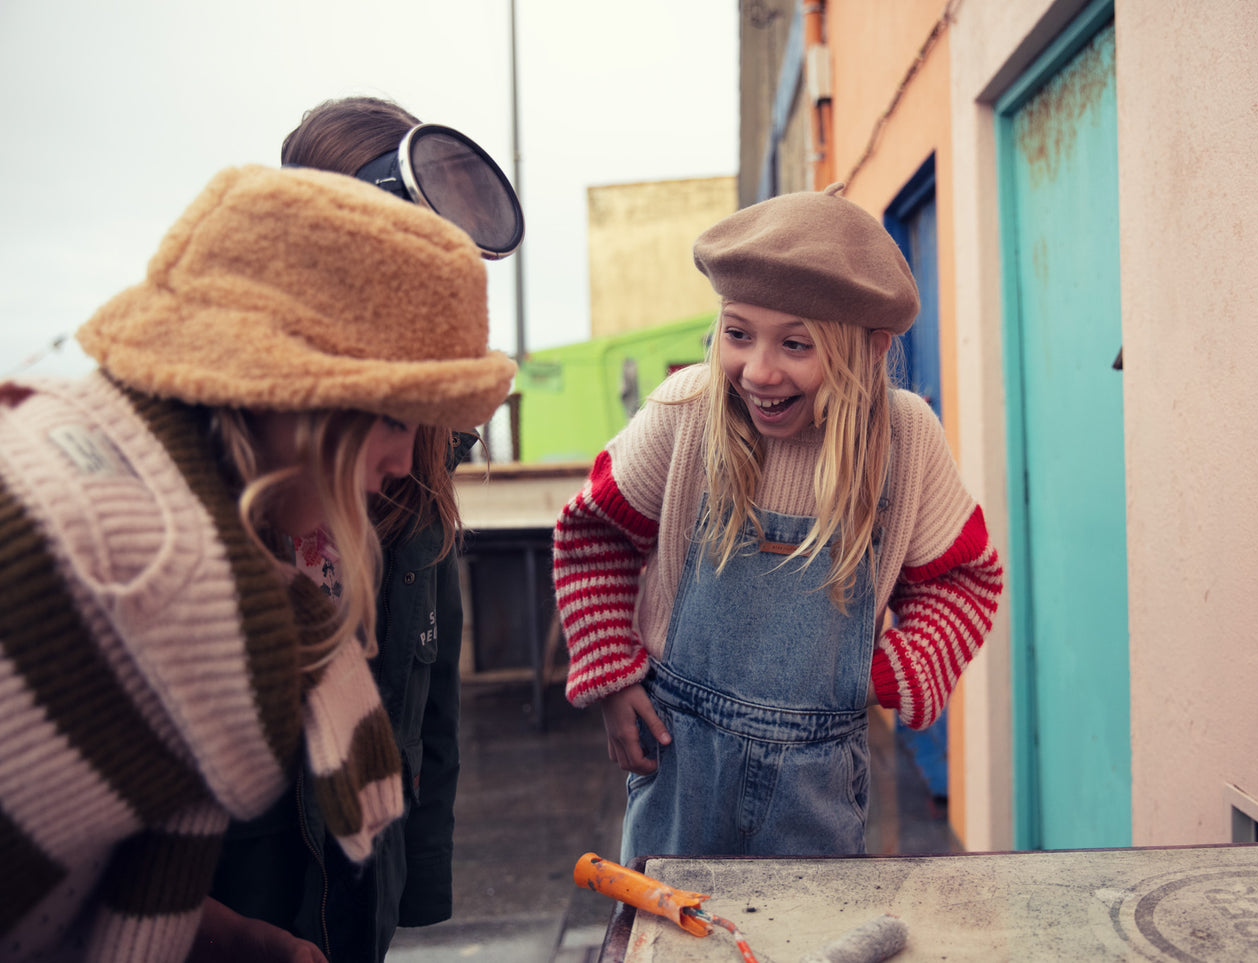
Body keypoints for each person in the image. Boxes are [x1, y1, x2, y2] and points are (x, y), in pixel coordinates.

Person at [0, 164, 515, 962]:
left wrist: (231, 937)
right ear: (288, 393)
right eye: (391, 417)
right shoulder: (119, 571)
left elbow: (95, 864)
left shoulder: (199, 539)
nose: (408, 461)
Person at [553, 184, 1004, 863]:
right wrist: (612, 675)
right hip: (679, 767)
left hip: (819, 787)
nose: (758, 371)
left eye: (795, 344)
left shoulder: (905, 439)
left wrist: (886, 674)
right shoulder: (685, 414)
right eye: (737, 334)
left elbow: (966, 578)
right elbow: (592, 537)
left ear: (870, 351)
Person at [198, 97, 523, 963]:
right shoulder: (209, 472)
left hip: (359, 897)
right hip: (238, 898)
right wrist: (217, 931)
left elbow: (430, 692)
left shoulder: (420, 459)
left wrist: (415, 882)